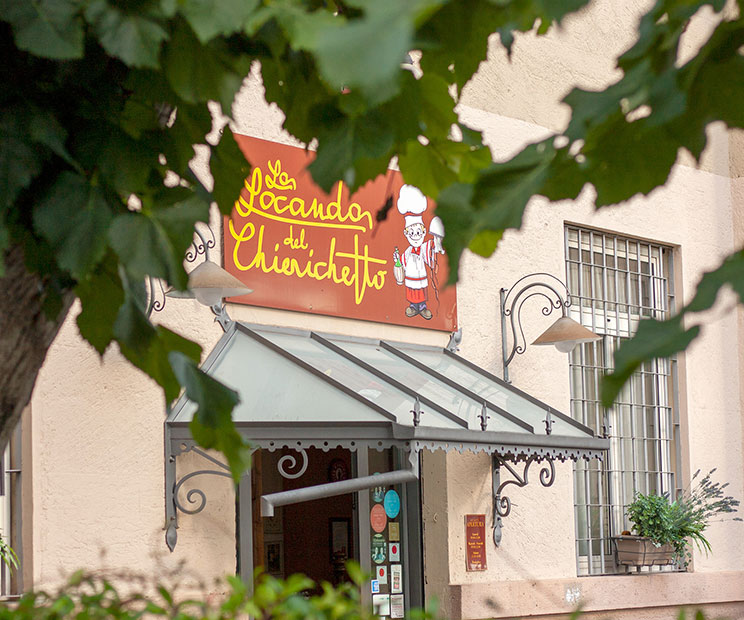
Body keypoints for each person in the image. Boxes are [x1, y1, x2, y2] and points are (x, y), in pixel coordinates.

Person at [393, 185, 444, 320]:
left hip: (421, 276)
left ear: (422, 232)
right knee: (411, 293)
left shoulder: (423, 248)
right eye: (412, 232)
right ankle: (413, 307)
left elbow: (433, 246)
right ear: (407, 234)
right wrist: (397, 260)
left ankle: (422, 308)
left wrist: (437, 237)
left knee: (421, 292)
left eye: (418, 232)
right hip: (410, 277)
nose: (415, 235)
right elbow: (401, 262)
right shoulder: (408, 251)